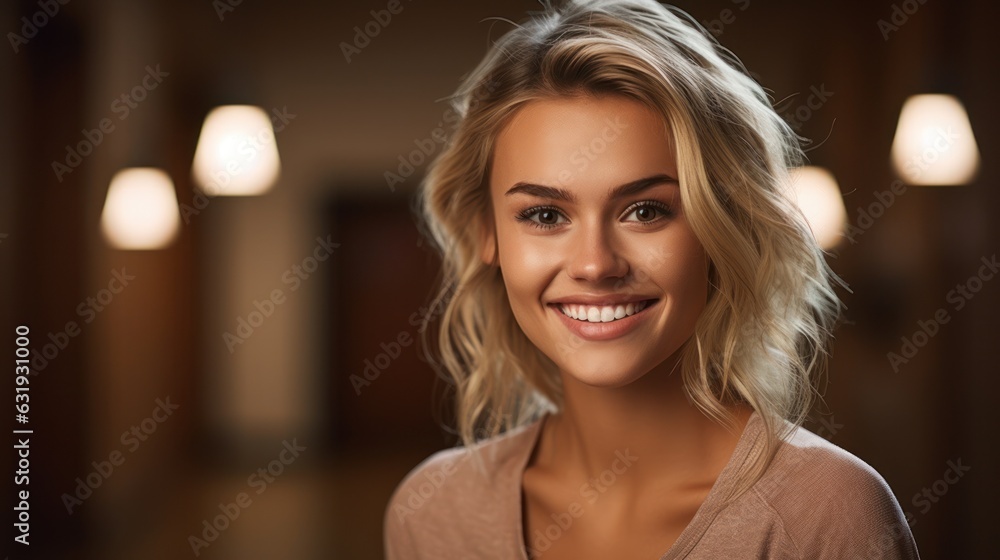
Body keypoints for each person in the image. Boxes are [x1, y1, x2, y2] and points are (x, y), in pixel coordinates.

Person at [384, 0, 920, 558]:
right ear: (485, 234)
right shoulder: (432, 512)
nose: (595, 265)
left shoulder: (829, 514)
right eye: (545, 215)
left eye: (645, 211)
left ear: (721, 226)